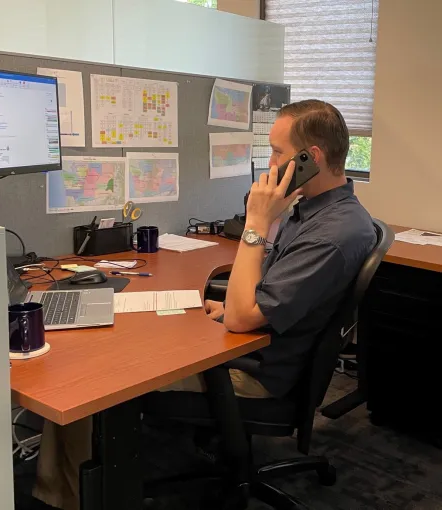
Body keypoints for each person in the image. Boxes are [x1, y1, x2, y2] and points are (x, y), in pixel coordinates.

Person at [33, 100, 376, 510]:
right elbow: (267, 293)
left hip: (260, 372)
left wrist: (255, 223)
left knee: (89, 375)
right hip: (260, 344)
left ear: (311, 157)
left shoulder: (332, 234)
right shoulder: (319, 210)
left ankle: (64, 501)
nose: (271, 163)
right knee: (144, 332)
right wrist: (229, 304)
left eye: (278, 152)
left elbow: (246, 315)